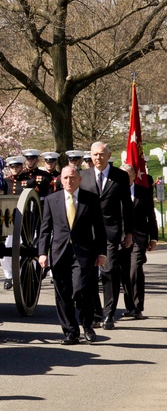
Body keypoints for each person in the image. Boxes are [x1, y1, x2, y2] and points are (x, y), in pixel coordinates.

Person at [39, 166, 107, 344]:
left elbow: (99, 229)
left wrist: (101, 252)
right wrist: (42, 253)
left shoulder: (90, 199)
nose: (69, 181)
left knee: (81, 290)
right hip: (59, 253)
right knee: (62, 293)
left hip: (84, 253)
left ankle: (87, 325)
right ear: (61, 180)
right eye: (65, 178)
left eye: (72, 177)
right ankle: (70, 332)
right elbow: (45, 230)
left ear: (79, 179)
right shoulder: (51, 199)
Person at [79, 141, 134, 329]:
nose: (98, 158)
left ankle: (109, 314)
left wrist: (129, 233)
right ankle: (96, 313)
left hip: (111, 232)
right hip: (89, 233)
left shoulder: (120, 177)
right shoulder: (83, 176)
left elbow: (127, 207)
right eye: (95, 155)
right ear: (90, 157)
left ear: (109, 156)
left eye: (102, 154)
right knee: (90, 274)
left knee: (109, 271)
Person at [121, 164, 158, 319]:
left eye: (128, 175)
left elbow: (151, 215)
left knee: (135, 268)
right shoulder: (116, 192)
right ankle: (129, 306)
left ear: (134, 176)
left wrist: (154, 238)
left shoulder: (143, 192)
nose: (125, 178)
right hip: (121, 238)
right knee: (124, 272)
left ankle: (138, 307)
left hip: (139, 236)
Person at [1, 155, 26, 290]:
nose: (15, 169)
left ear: (21, 167)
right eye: (12, 167)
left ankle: (23, 274)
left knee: (24, 247)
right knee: (6, 247)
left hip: (25, 219)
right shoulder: (5, 182)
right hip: (8, 219)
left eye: (17, 166)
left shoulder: (29, 181)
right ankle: (9, 275)